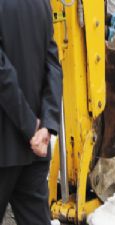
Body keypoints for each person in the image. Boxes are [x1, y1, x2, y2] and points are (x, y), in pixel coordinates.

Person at [0, 0, 62, 225]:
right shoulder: (41, 4)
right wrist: (46, 125)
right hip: (35, 150)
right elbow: (53, 66)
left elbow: (2, 75)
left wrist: (31, 127)